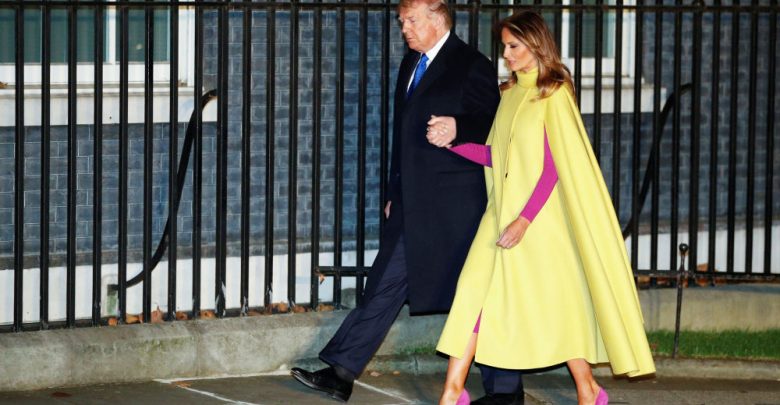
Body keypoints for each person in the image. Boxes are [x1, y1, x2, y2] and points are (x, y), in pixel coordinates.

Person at [291, 1, 525, 403]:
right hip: (412, 200)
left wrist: (458, 127)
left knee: (478, 294)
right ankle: (342, 371)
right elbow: (401, 135)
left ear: (437, 18)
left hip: (457, 206)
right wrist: (393, 192)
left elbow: (495, 125)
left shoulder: (471, 64)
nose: (405, 29)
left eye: (411, 20)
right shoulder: (411, 63)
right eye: (402, 21)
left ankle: (506, 389)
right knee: (384, 282)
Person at [428, 10, 656, 405]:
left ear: (535, 45)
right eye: (504, 47)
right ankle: (452, 393)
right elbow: (497, 156)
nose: (506, 55)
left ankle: (588, 388)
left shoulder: (554, 94)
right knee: (472, 296)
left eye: (513, 46)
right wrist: (453, 143)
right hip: (499, 216)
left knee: (553, 307)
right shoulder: (507, 94)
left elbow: (553, 169)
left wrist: (524, 220)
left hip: (538, 222)